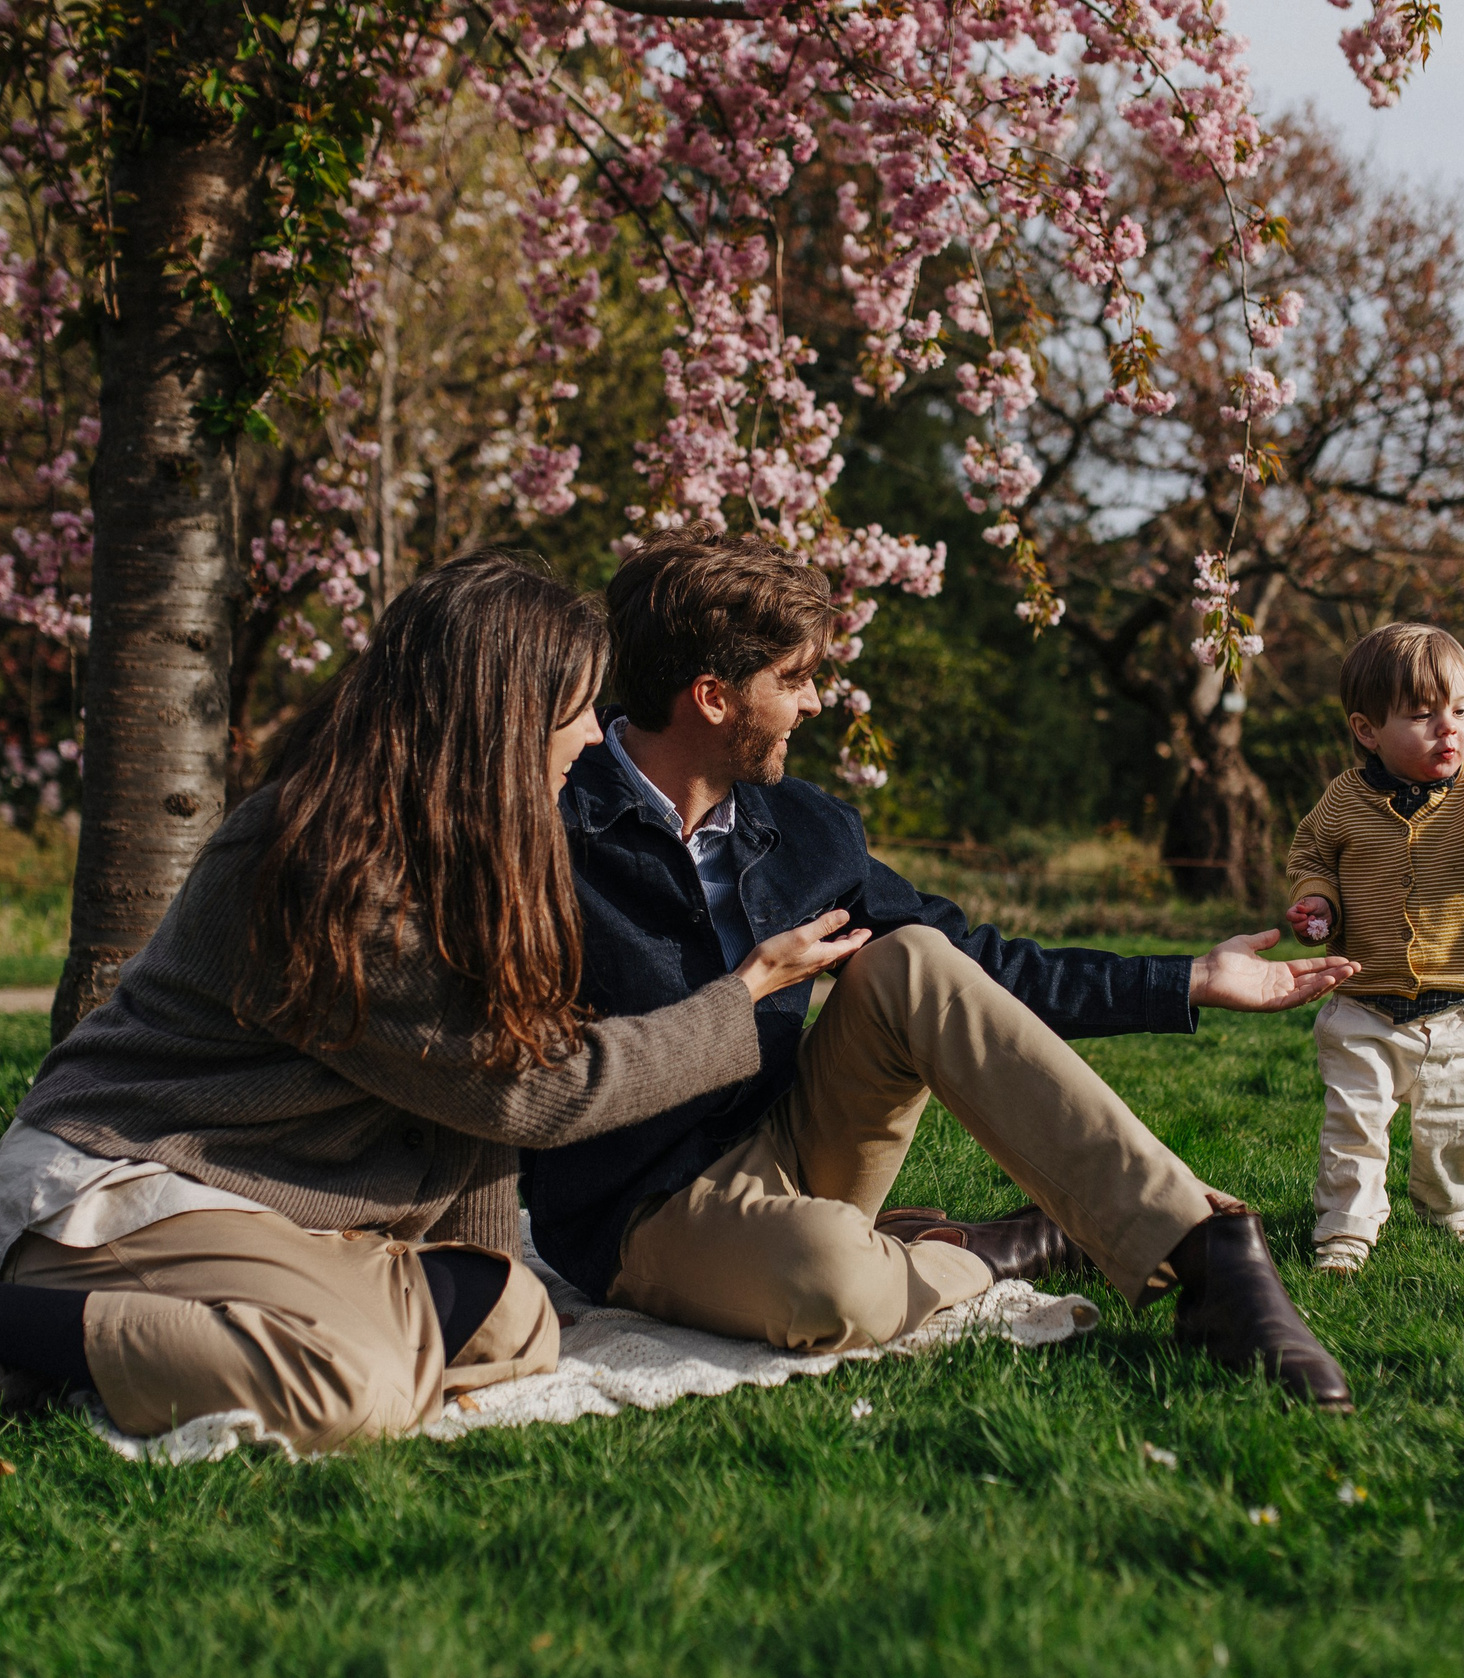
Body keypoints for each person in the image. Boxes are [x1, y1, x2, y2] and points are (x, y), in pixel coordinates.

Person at [0, 554, 868, 1464]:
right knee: (357, 1382)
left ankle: (58, 1355)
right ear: (497, 714)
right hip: (155, 1174)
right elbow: (528, 1088)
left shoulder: (473, 848)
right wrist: (742, 996)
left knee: (515, 1321)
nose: (588, 738)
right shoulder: (332, 861)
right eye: (573, 711)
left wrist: (496, 1288)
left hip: (297, 1211)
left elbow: (481, 1097)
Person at [532, 529, 1366, 1409]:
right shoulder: (549, 820)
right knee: (836, 1285)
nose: (816, 703)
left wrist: (1190, 977)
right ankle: (977, 1251)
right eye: (795, 679)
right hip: (643, 1207)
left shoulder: (809, 828)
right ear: (710, 696)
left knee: (915, 958)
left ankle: (1203, 1251)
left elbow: (978, 967)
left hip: (794, 1140)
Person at [1282, 622, 1464, 1277]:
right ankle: (1345, 1231)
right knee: (1354, 1127)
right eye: (1423, 715)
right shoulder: (1343, 800)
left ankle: (1452, 1206)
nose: (1448, 728)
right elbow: (1310, 855)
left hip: (1458, 1008)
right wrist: (1318, 902)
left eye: (1461, 711)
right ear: (1367, 729)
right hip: (1363, 1005)